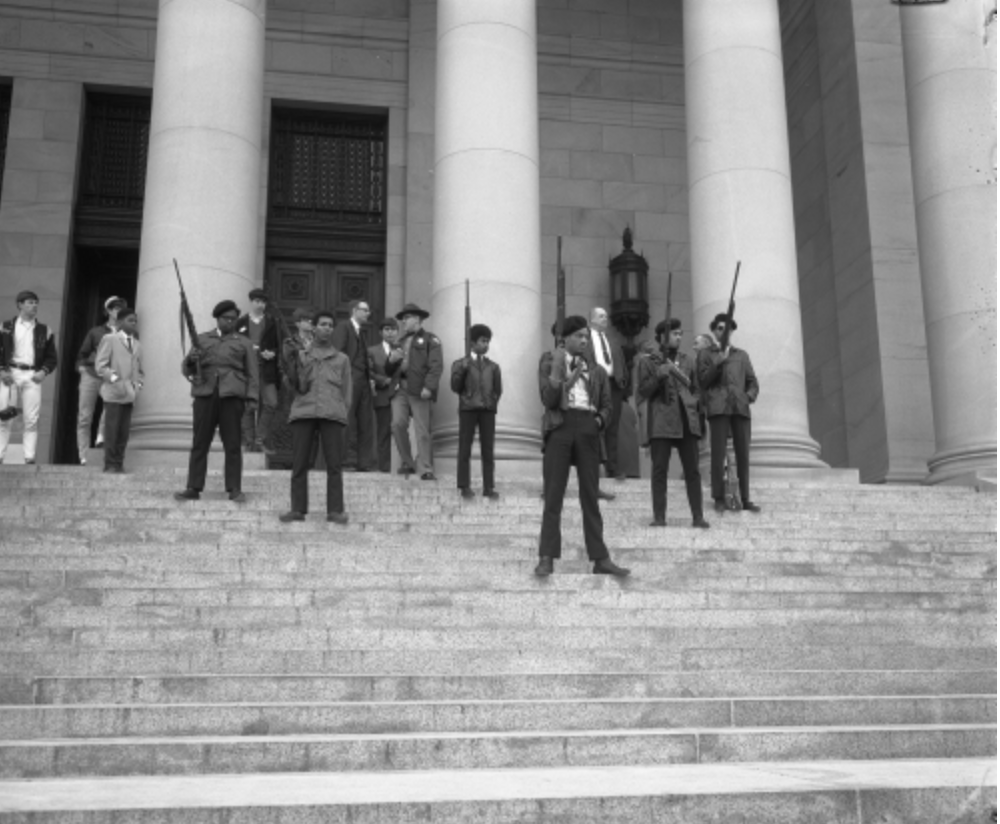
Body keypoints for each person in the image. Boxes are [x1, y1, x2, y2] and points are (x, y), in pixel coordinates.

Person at [535, 315, 630, 578]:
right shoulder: (549, 361)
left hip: (588, 426)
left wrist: (598, 421)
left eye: (586, 336)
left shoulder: (596, 370)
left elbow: (607, 405)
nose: (584, 341)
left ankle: (601, 558)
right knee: (553, 496)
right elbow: (548, 399)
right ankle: (546, 557)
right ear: (564, 338)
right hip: (560, 425)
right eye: (579, 336)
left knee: (590, 497)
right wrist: (559, 370)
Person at [175, 300, 259, 503]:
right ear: (217, 319)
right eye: (226, 318)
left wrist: (252, 398)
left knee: (233, 444)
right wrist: (191, 360)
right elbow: (186, 369)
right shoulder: (202, 339)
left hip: (232, 395)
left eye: (233, 319)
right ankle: (193, 487)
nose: (230, 322)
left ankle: (234, 488)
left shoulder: (244, 342)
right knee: (200, 442)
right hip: (205, 393)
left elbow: (253, 373)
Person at [279, 309, 351, 524]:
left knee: (334, 465)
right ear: (314, 327)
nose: (326, 328)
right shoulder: (301, 355)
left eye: (330, 325)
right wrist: (291, 362)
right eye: (322, 324)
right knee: (299, 462)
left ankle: (335, 510)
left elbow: (347, 391)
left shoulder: (342, 359)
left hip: (332, 414)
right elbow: (289, 385)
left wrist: (342, 413)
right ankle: (297, 509)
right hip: (304, 411)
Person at [637, 319, 709, 529]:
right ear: (662, 337)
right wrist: (659, 376)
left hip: (687, 419)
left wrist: (694, 402)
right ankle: (659, 516)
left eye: (680, 333)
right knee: (660, 470)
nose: (679, 337)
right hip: (662, 420)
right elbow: (643, 391)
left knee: (692, 471)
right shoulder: (648, 361)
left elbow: (697, 389)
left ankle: (698, 516)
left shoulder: (688, 360)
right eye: (675, 333)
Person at [697, 313, 761, 515]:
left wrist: (747, 397)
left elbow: (753, 382)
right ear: (714, 331)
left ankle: (745, 497)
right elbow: (703, 381)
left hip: (740, 408)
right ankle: (718, 496)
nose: (723, 332)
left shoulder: (742, 355)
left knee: (743, 454)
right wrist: (718, 362)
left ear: (731, 331)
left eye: (727, 328)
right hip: (718, 407)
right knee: (718, 453)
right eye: (719, 328)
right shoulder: (705, 354)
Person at [385, 303, 442, 480]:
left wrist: (429, 387)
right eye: (403, 318)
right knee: (397, 424)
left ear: (417, 319)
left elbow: (436, 366)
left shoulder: (431, 340)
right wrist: (391, 361)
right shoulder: (399, 342)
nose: (403, 321)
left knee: (422, 429)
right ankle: (409, 463)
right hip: (399, 388)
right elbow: (388, 370)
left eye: (406, 318)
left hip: (419, 388)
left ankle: (425, 468)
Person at [0, 291, 58, 465]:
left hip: (32, 375)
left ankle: (29, 457)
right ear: (20, 304)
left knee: (31, 419)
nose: (34, 305)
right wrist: (2, 370)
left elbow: (52, 357)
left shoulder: (44, 330)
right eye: (30, 302)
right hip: (10, 373)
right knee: (4, 417)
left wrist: (43, 371)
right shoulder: (5, 327)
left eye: (36, 302)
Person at [450, 323, 503, 500]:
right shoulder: (459, 364)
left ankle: (489, 486)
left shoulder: (493, 367)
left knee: (488, 449)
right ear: (472, 343)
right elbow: (455, 387)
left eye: (487, 341)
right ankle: (464, 485)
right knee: (465, 448)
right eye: (482, 341)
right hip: (468, 409)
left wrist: (491, 403)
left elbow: (498, 389)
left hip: (487, 410)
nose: (486, 344)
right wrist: (463, 370)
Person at [76, 296, 125, 464]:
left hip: (111, 375)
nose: (119, 311)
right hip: (90, 373)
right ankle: (83, 455)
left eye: (121, 308)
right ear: (108, 311)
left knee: (110, 407)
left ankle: (101, 436)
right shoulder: (95, 331)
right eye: (116, 308)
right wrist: (81, 367)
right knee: (84, 416)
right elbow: (83, 354)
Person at [94, 307, 143, 473]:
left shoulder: (137, 344)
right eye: (130, 320)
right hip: (114, 392)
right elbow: (100, 365)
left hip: (129, 393)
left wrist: (138, 385)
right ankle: (110, 463)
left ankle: (119, 462)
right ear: (120, 322)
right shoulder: (110, 339)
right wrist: (115, 379)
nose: (134, 323)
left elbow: (140, 370)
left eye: (135, 321)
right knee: (112, 429)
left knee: (123, 431)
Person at [584, 307, 629, 480]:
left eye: (606, 316)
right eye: (601, 316)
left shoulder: (612, 340)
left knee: (613, 426)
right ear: (592, 319)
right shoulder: (585, 337)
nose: (605, 319)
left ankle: (612, 467)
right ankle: (593, 466)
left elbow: (622, 363)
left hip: (614, 384)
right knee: (593, 423)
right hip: (594, 384)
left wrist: (623, 382)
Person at [331, 299, 375, 472]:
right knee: (346, 420)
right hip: (349, 379)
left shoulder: (361, 332)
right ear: (355, 311)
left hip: (363, 381)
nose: (368, 313)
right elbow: (338, 353)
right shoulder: (343, 327)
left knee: (365, 422)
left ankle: (364, 463)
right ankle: (344, 461)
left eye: (368, 310)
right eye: (365, 310)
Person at [236, 289, 280, 455]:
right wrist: (248, 349)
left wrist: (273, 353)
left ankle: (259, 439)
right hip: (247, 369)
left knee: (271, 403)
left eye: (263, 302)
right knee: (249, 405)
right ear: (251, 302)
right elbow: (233, 345)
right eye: (257, 301)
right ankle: (249, 441)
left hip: (266, 368)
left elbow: (279, 345)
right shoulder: (240, 322)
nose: (260, 305)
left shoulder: (272, 321)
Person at [368, 317, 399, 473]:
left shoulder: (404, 349)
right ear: (380, 332)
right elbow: (368, 371)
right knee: (383, 432)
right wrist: (384, 380)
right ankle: (384, 467)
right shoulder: (372, 351)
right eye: (387, 329)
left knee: (402, 431)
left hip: (402, 396)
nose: (390, 332)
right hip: (383, 396)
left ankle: (404, 464)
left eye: (393, 329)